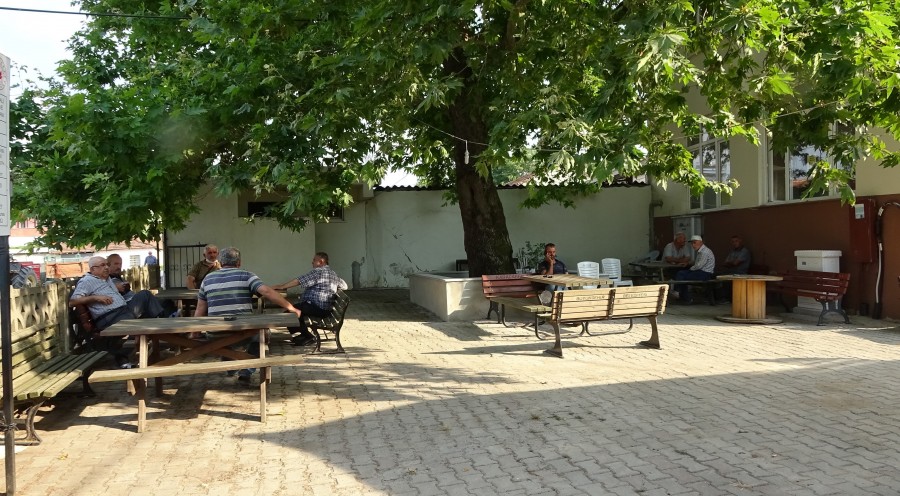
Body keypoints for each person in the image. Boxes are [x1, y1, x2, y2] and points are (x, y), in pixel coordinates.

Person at [194, 247, 302, 383]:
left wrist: (195, 331)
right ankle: (246, 370)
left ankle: (230, 366)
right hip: (243, 332)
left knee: (224, 340)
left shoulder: (207, 279)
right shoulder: (246, 275)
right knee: (262, 335)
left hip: (215, 333)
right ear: (239, 263)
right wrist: (291, 308)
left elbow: (200, 308)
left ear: (220, 262)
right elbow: (267, 292)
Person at [70, 256, 170, 367]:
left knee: (147, 298)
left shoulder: (106, 279)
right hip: (110, 318)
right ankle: (166, 330)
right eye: (103, 265)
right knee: (146, 305)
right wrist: (95, 298)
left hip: (123, 311)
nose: (106, 267)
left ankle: (161, 330)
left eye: (107, 264)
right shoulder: (87, 281)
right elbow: (73, 301)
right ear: (93, 269)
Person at [272, 252, 348, 347]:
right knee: (294, 309)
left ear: (321, 262)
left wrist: (282, 286)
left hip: (317, 307)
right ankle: (303, 335)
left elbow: (299, 281)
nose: (312, 262)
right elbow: (345, 286)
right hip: (325, 309)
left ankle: (308, 337)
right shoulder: (332, 273)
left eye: (314, 260)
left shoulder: (318, 272)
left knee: (290, 312)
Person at [673, 235, 716, 304]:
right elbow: (697, 263)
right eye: (692, 243)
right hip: (702, 272)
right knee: (681, 275)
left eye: (695, 243)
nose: (693, 245)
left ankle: (679, 293)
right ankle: (683, 297)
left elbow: (699, 266)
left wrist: (690, 269)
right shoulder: (701, 251)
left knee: (681, 274)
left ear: (701, 242)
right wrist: (688, 263)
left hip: (705, 274)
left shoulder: (704, 252)